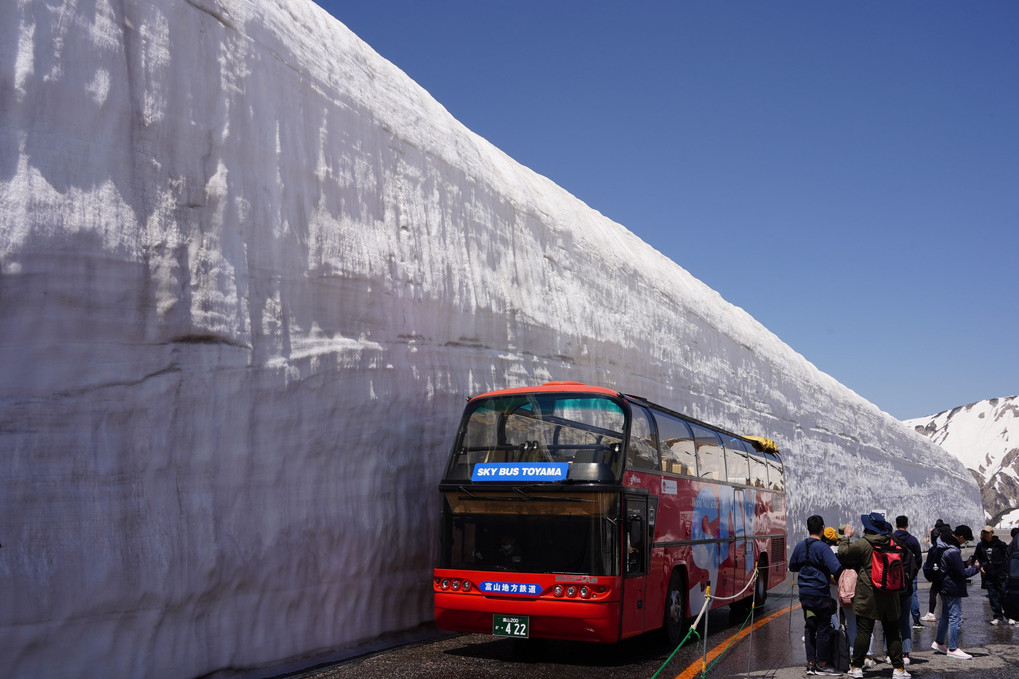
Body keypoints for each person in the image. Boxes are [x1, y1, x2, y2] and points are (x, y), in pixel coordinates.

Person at [838, 512, 909, 679]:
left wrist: (846, 537)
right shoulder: (892, 541)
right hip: (890, 592)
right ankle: (898, 669)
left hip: (868, 593)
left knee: (864, 631)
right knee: (892, 632)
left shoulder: (864, 543)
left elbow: (843, 552)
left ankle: (856, 667)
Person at [790, 515, 844, 675]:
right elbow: (836, 569)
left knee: (809, 625)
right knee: (823, 627)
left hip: (805, 593)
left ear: (808, 528)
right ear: (822, 528)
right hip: (820, 592)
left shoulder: (800, 545)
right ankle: (822, 663)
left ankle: (811, 663)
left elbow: (792, 566)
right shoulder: (822, 548)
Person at [931, 523, 979, 659]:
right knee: (955, 617)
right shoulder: (952, 550)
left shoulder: (943, 544)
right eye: (966, 539)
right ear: (961, 537)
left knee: (946, 615)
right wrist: (976, 568)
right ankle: (953, 648)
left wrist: (965, 563)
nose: (966, 542)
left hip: (943, 585)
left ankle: (939, 642)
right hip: (952, 587)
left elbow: (951, 566)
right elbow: (961, 574)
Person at [893, 516, 922, 664]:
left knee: (890, 620)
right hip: (908, 580)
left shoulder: (890, 539)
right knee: (904, 620)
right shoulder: (913, 540)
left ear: (896, 524)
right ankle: (905, 653)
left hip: (892, 582)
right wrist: (913, 573)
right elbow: (919, 559)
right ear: (907, 525)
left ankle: (888, 652)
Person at [972, 525, 1009, 624]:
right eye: (984, 533)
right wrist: (980, 567)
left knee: (1003, 595)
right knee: (993, 596)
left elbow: (1007, 557)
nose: (986, 535)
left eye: (988, 533)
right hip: (988, 574)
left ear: (992, 533)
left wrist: (1006, 570)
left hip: (1000, 573)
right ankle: (997, 616)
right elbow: (977, 558)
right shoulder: (980, 545)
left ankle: (1009, 616)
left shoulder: (1000, 544)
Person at [920, 519, 945, 622]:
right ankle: (955, 614)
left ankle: (931, 613)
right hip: (946, 573)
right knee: (947, 594)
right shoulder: (947, 544)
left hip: (937, 573)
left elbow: (929, 564)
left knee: (933, 592)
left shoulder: (934, 548)